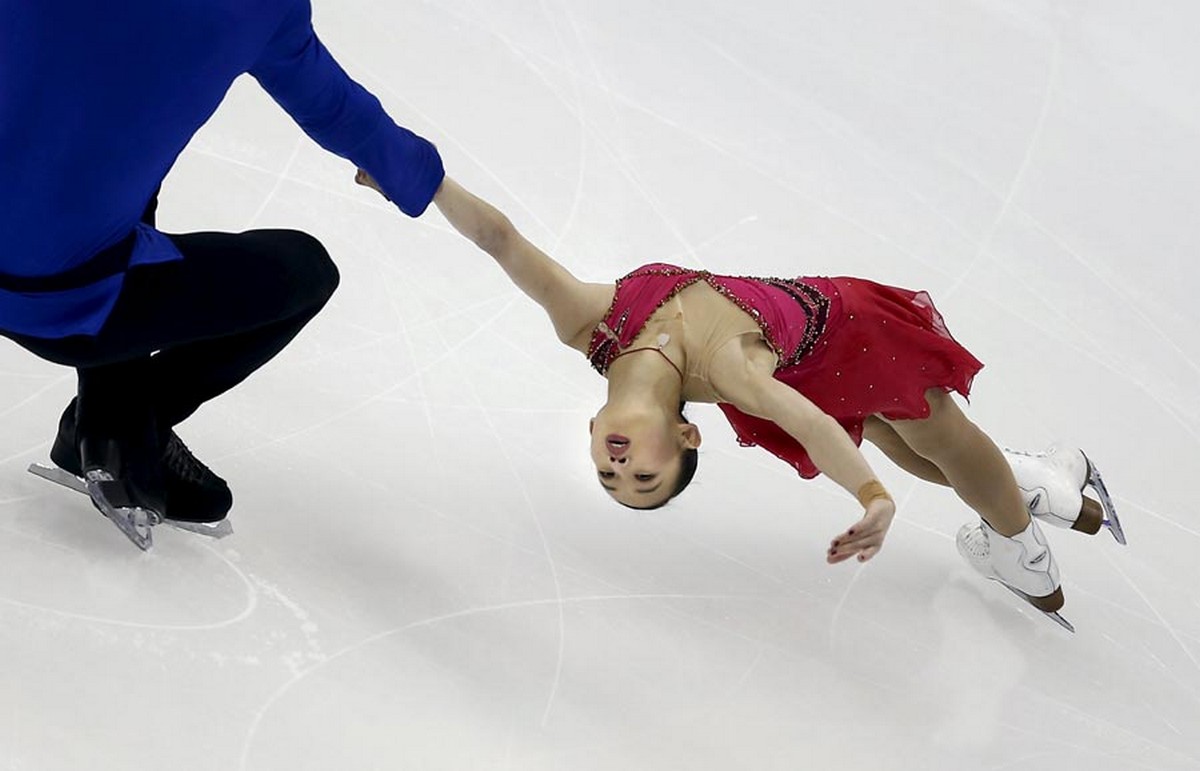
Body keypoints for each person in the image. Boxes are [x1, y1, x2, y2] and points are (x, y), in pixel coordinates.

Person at [360, 173, 1125, 630]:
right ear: (688, 439)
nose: (623, 471)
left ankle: (1033, 496)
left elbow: (499, 239)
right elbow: (811, 423)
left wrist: (410, 177)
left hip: (825, 337)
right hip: (841, 337)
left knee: (923, 436)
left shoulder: (587, 325)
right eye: (646, 481)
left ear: (595, 431)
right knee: (930, 439)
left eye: (610, 475)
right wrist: (871, 496)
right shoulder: (729, 373)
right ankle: (1028, 541)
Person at [0, 1, 444, 548]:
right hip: (60, 304)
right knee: (306, 271)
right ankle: (123, 420)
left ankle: (112, 417)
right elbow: (337, 110)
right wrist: (418, 176)